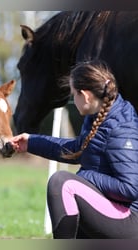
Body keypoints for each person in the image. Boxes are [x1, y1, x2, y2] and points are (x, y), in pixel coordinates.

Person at [9, 60, 138, 239]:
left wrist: (86, 177)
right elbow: (78, 149)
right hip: (111, 210)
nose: (73, 100)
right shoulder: (97, 116)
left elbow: (130, 188)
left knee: (63, 183)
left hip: (130, 221)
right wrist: (31, 142)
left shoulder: (121, 128)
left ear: (85, 96)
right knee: (71, 186)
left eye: (73, 95)